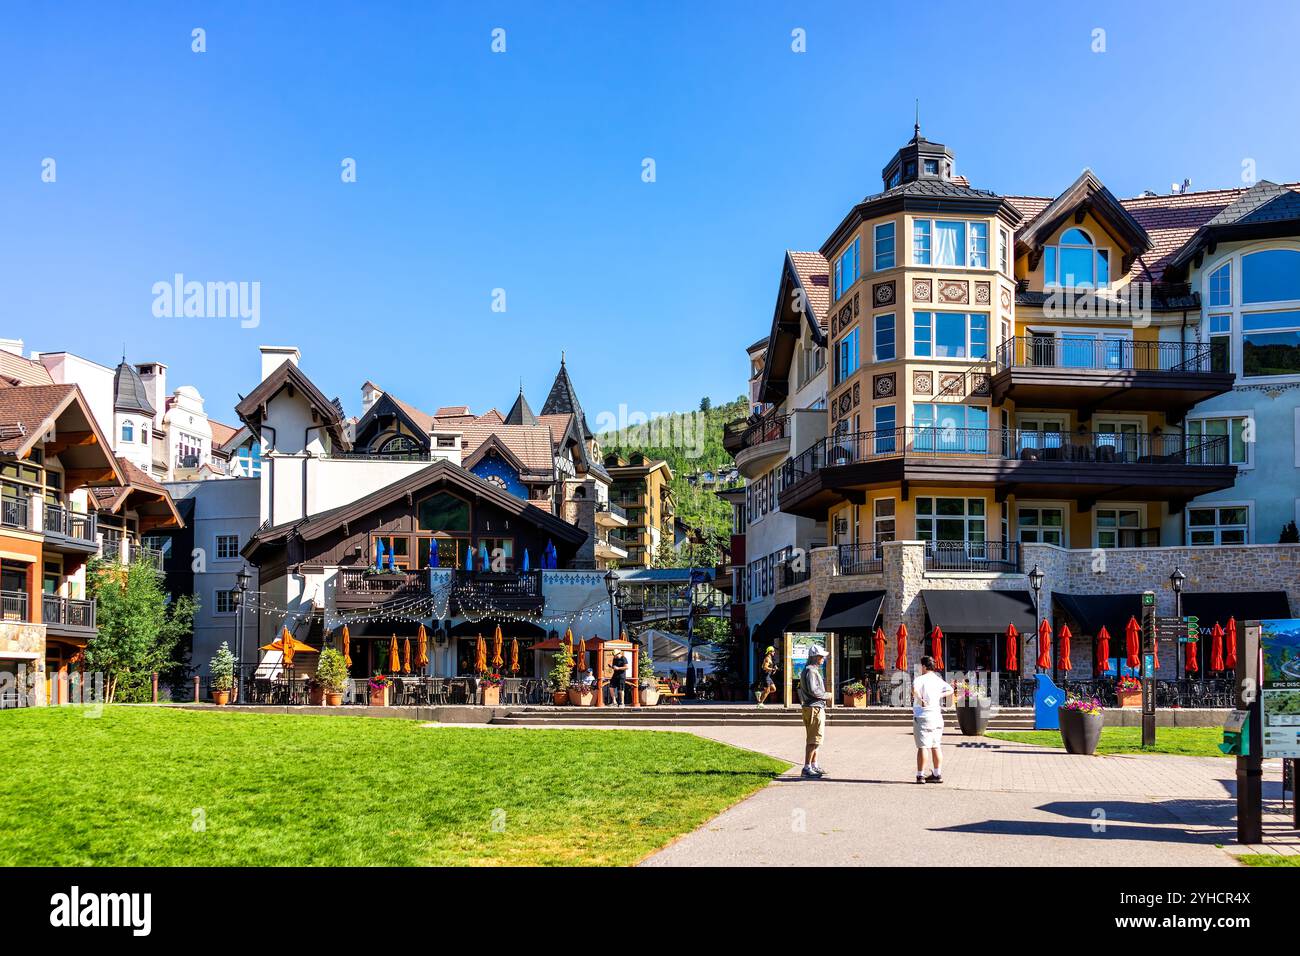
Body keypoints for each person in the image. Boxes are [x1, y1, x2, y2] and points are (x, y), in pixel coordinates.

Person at [912, 655, 953, 784]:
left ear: (924, 666)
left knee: (923, 746)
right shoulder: (938, 680)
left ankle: (920, 775)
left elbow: (914, 690)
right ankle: (937, 774)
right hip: (937, 716)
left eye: (921, 666)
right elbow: (951, 690)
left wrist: (920, 700)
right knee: (936, 746)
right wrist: (940, 695)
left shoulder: (920, 679)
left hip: (923, 716)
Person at [798, 644, 829, 778]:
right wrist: (827, 695)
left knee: (816, 738)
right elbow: (813, 690)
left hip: (812, 707)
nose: (823, 659)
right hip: (814, 707)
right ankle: (807, 767)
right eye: (821, 656)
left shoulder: (808, 670)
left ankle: (814, 764)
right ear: (815, 657)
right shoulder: (811, 671)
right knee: (814, 739)